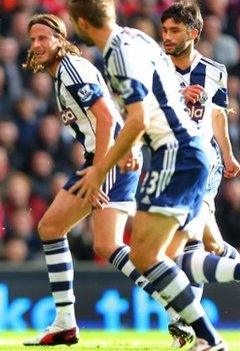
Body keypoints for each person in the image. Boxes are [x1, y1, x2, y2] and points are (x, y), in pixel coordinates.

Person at [66, 1, 225, 350]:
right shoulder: (136, 37)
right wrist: (135, 148)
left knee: (147, 256)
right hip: (190, 149)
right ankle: (208, 338)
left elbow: (137, 119)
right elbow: (164, 91)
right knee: (170, 254)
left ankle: (209, 338)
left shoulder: (115, 56)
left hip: (175, 153)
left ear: (80, 22)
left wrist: (100, 169)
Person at [20, 14, 144, 346]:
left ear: (61, 39)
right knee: (90, 240)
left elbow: (104, 118)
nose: (36, 45)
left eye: (44, 37)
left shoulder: (72, 69)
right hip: (109, 156)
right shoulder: (66, 72)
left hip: (108, 160)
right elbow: (109, 109)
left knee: (72, 234)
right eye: (32, 39)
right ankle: (65, 322)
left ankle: (180, 306)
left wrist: (100, 170)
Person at [160, 2, 240, 347]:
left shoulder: (214, 70)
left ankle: (183, 322)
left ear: (194, 33)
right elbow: (141, 110)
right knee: (210, 245)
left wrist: (228, 151)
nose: (167, 37)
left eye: (174, 31)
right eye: (164, 30)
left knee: (179, 243)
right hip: (168, 164)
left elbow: (218, 114)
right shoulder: (154, 68)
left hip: (204, 165)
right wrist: (179, 94)